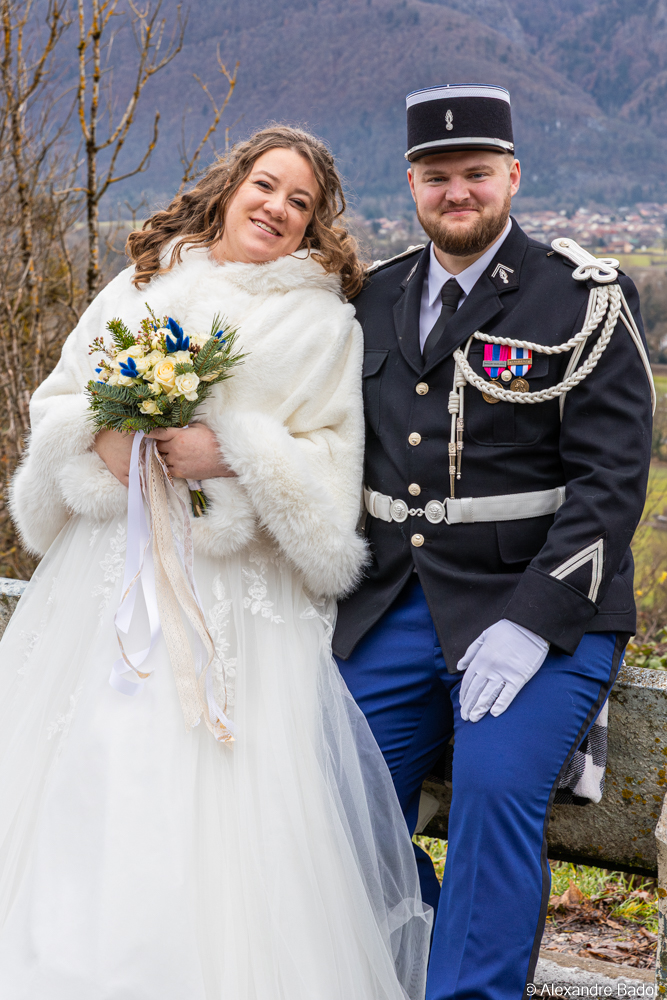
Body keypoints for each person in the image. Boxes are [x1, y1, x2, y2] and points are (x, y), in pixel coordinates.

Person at [0, 125, 431, 998]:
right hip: (106, 576)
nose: (276, 207)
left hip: (236, 602)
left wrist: (231, 449)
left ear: (314, 225)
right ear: (232, 187)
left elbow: (333, 471)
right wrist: (101, 438)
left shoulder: (323, 326)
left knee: (208, 803)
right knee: (85, 771)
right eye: (265, 185)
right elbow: (60, 399)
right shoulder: (147, 279)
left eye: (299, 202)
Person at [333, 85, 653, 999]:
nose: (457, 192)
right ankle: (422, 954)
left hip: (538, 605)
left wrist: (534, 621)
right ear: (411, 184)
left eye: (476, 172)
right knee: (324, 797)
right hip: (397, 602)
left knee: (493, 790)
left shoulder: (581, 298)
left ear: (511, 175)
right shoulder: (373, 295)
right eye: (437, 176)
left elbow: (609, 481)